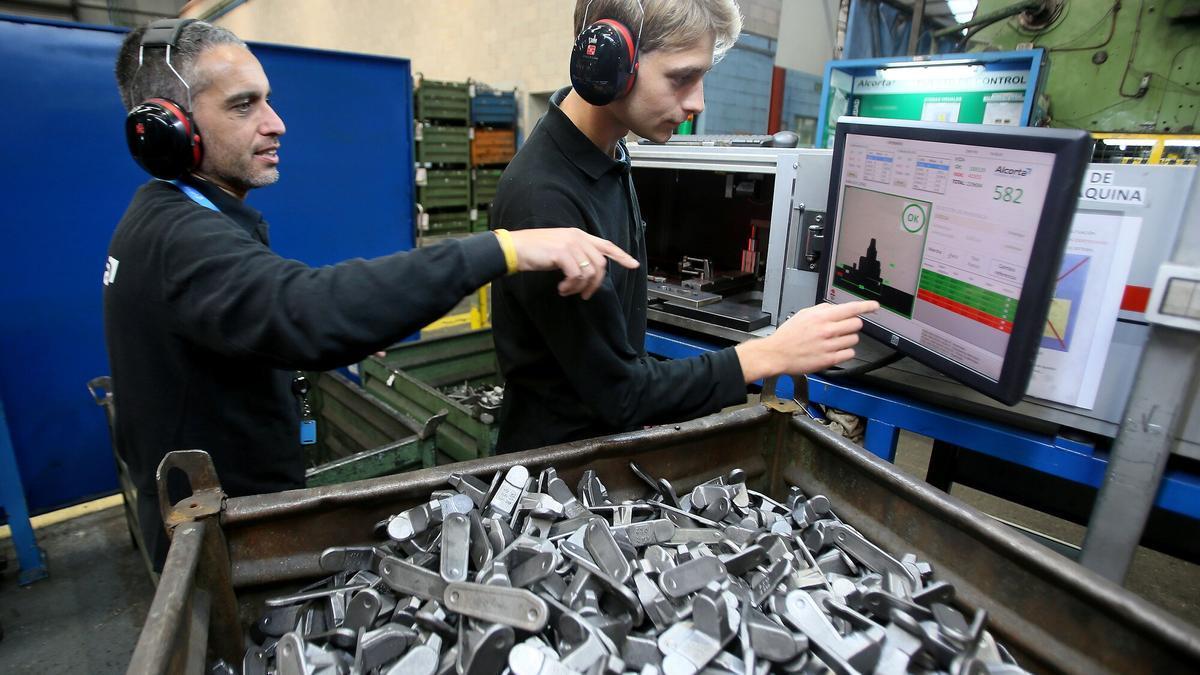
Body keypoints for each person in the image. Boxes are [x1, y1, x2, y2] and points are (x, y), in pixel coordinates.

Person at [105, 19, 638, 569]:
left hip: (227, 526)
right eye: (244, 106)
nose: (276, 123)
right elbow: (306, 310)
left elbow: (260, 317)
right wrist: (503, 249)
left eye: (268, 100)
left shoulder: (167, 221)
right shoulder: (180, 241)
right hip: (216, 552)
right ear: (166, 128)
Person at [490, 0, 878, 453]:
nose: (697, 102)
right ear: (610, 62)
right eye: (681, 78)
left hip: (600, 446)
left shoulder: (609, 155)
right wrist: (769, 354)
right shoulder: (544, 198)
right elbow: (621, 396)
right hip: (554, 475)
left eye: (702, 78)